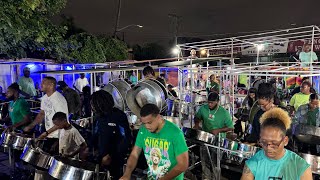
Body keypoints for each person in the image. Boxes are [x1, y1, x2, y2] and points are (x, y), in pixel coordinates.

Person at [120, 104, 188, 180]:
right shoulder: (143, 130)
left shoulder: (175, 133)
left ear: (158, 117)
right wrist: (127, 174)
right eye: (144, 123)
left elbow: (183, 165)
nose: (147, 126)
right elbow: (135, 154)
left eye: (149, 122)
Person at [240, 108, 312, 179]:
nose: (268, 147)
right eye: (264, 142)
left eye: (274, 143)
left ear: (285, 141)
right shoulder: (253, 163)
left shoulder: (301, 167)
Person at [90, 90, 132, 179]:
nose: (92, 107)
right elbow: (96, 134)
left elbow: (125, 138)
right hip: (101, 158)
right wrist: (89, 147)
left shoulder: (118, 116)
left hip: (115, 159)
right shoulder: (98, 117)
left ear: (100, 103)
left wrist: (110, 156)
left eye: (93, 104)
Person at [24, 76, 68, 155]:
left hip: (59, 136)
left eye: (43, 83)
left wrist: (46, 133)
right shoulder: (44, 98)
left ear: (51, 85)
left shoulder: (58, 99)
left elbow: (62, 121)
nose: (41, 84)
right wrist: (30, 126)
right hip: (50, 134)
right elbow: (41, 114)